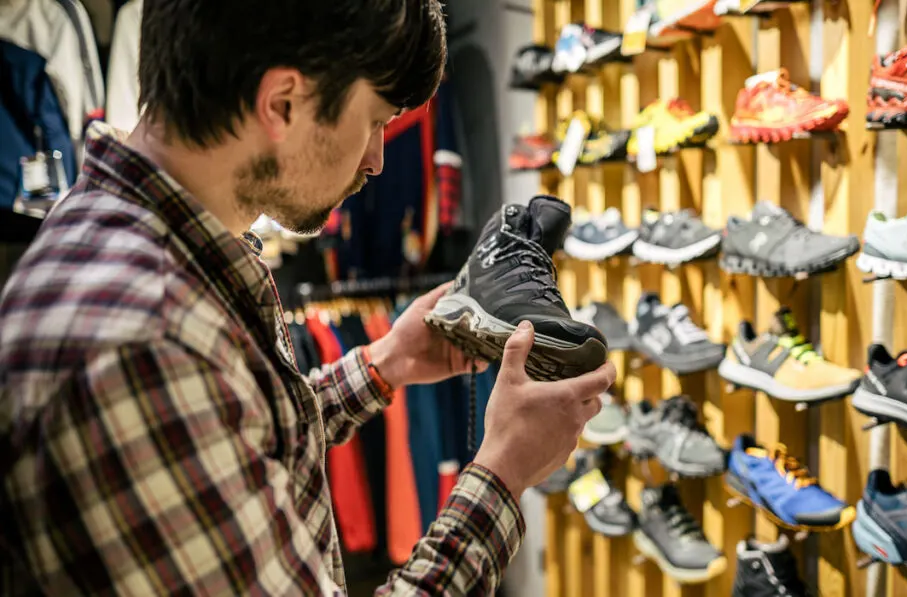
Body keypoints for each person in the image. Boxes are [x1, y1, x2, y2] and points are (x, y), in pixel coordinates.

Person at [0, 1, 616, 595]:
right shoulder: (141, 342)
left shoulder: (138, 238)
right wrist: (501, 477)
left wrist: (382, 365)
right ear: (283, 104)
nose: (377, 157)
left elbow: (234, 447)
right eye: (375, 120)